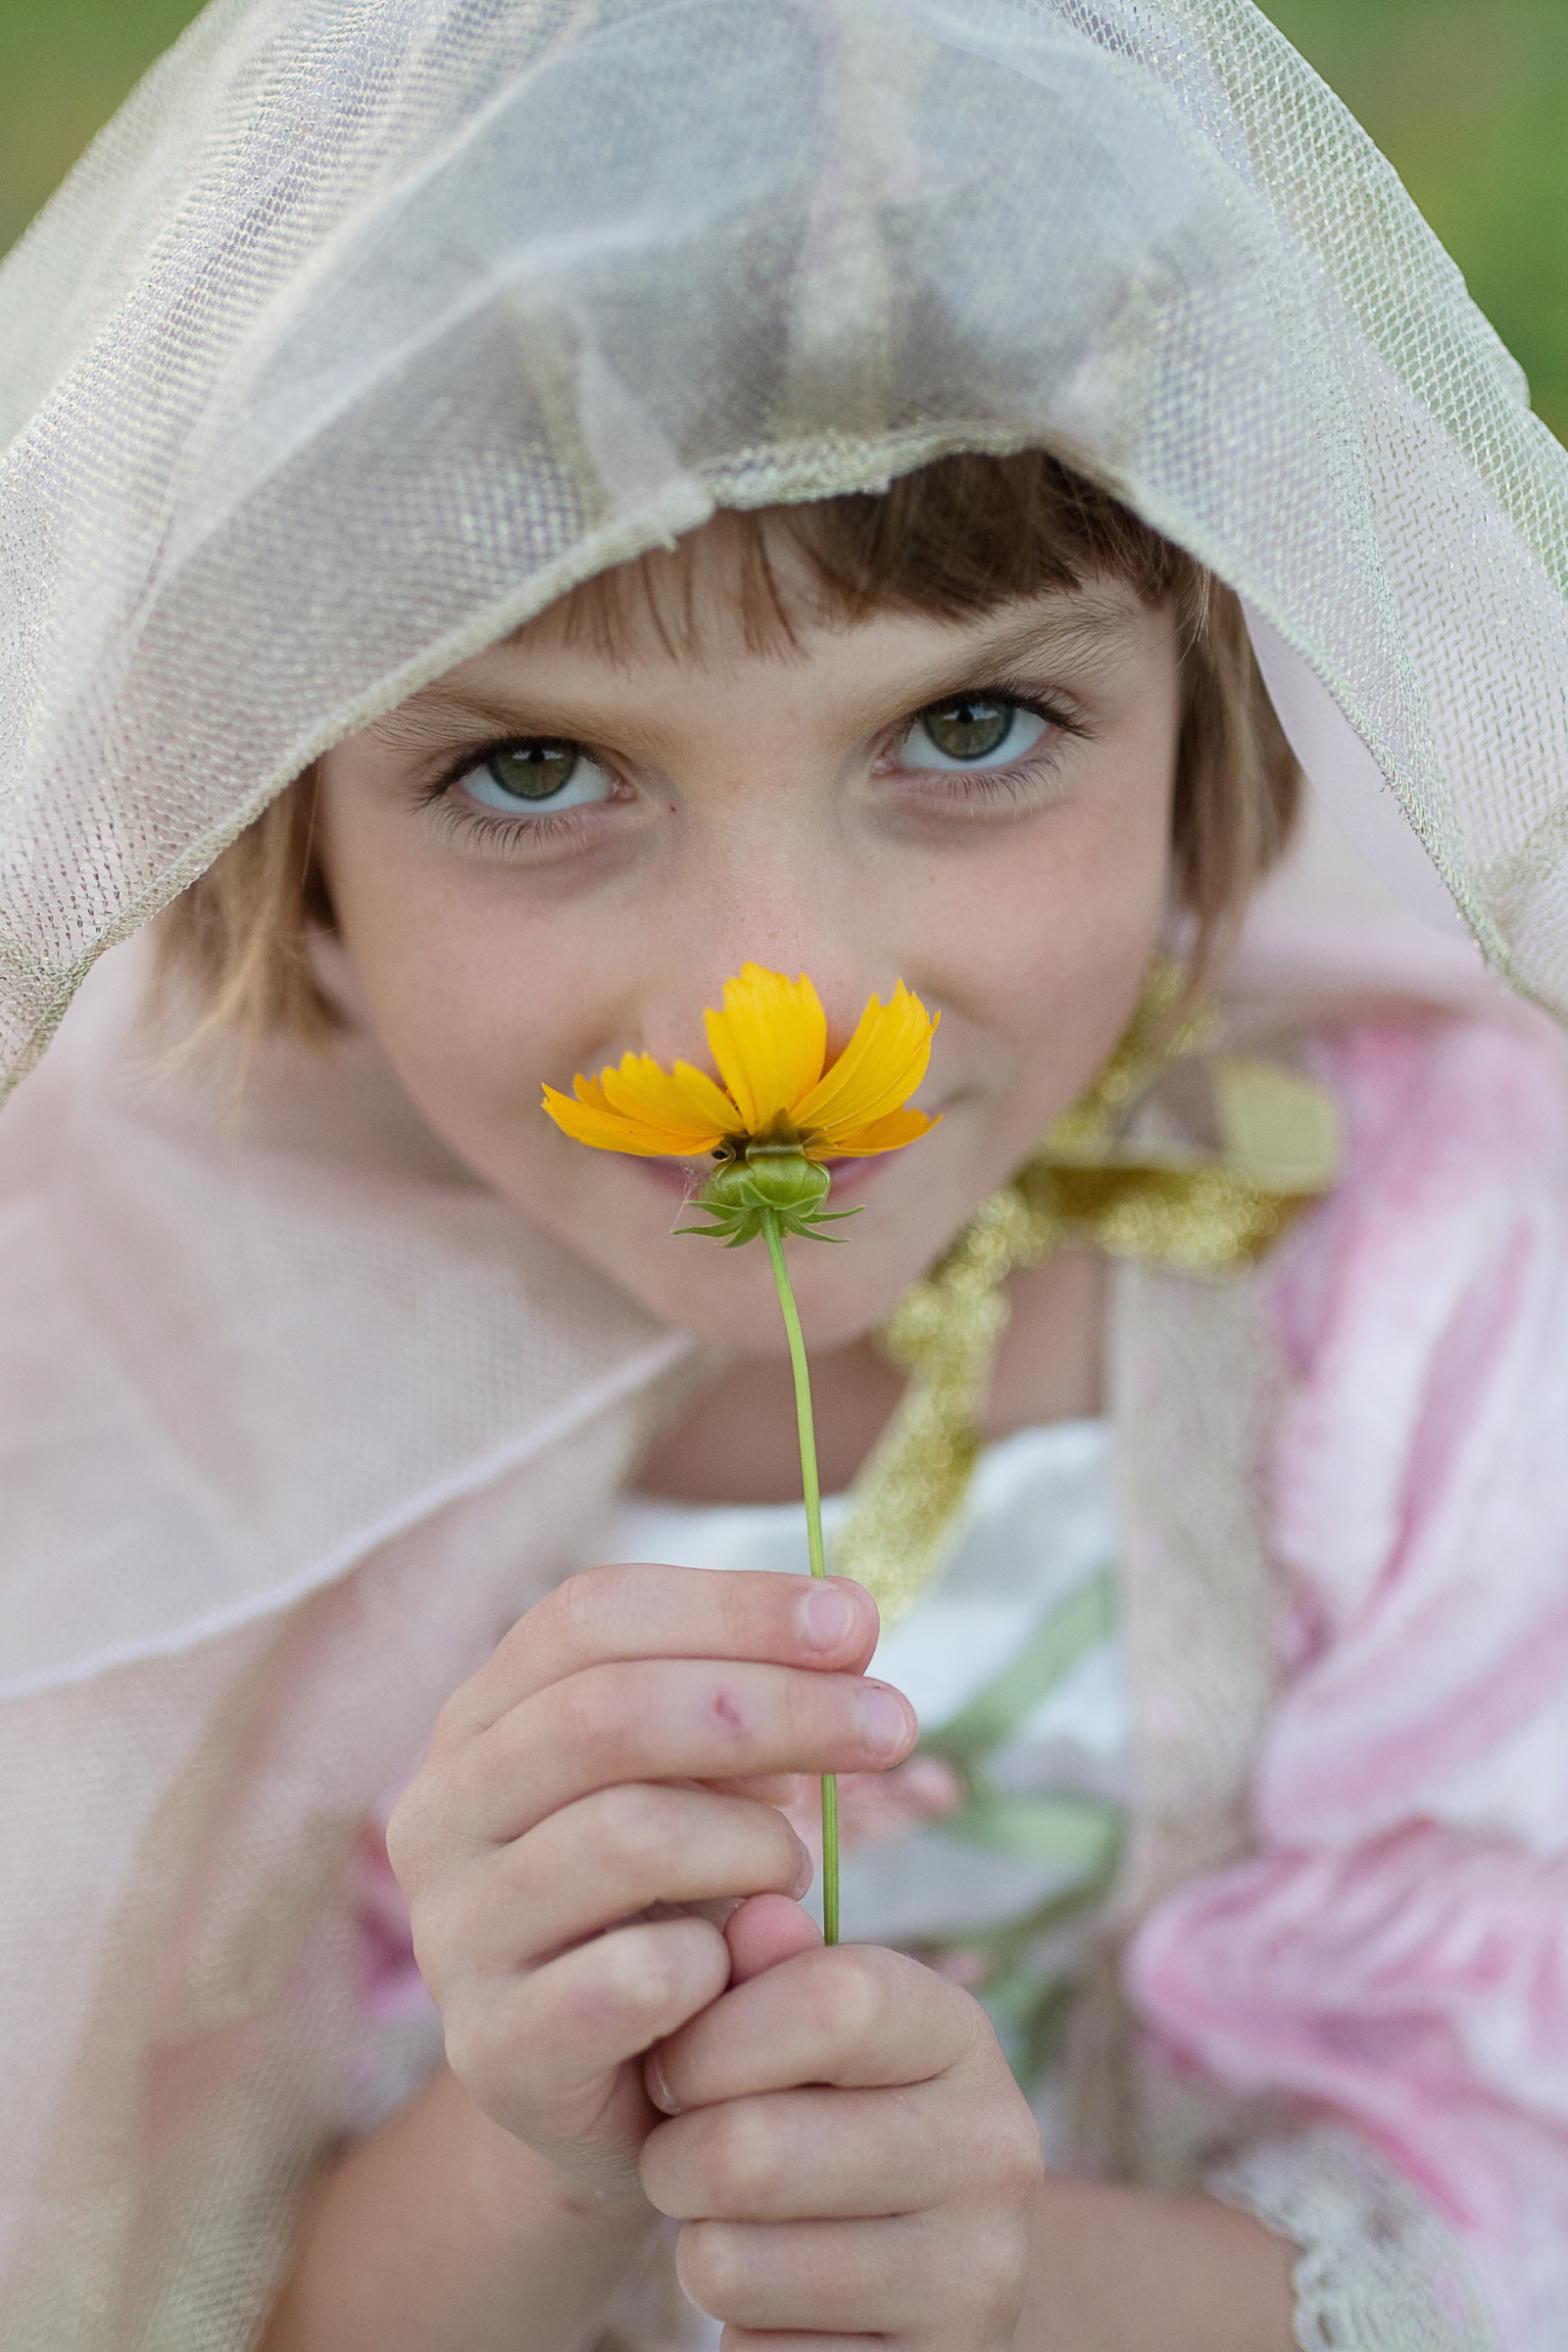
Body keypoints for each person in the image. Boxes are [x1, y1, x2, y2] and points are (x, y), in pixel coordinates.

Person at [4, 3, 1568, 2348]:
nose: (785, 998)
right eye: (536, 771)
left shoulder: (1418, 1279)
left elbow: (1509, 2204)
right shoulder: (161, 1386)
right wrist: (538, 2148)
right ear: (276, 815)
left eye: (969, 725)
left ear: (1209, 697)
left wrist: (1006, 2279)